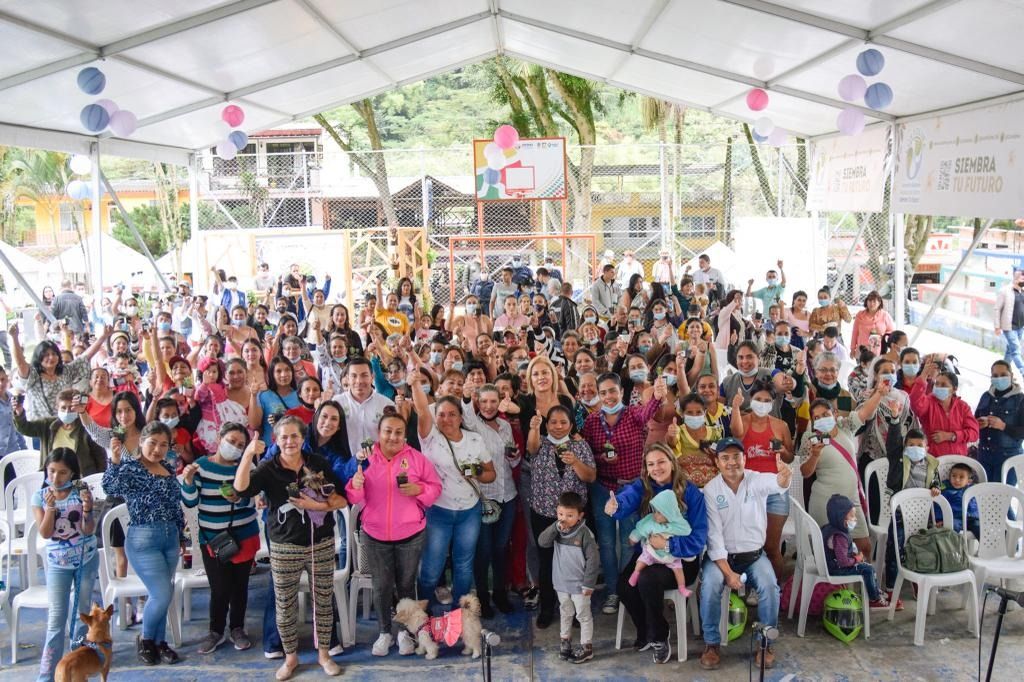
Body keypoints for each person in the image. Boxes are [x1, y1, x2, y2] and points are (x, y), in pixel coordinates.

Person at [233, 416, 347, 680]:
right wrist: (249, 453)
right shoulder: (267, 468)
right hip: (284, 545)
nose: (289, 442)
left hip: (321, 542)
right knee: (285, 604)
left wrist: (317, 506)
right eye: (283, 437)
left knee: (323, 602)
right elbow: (242, 489)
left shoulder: (317, 463)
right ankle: (291, 658)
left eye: (294, 436)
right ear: (275, 439)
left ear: (302, 438)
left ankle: (324, 655)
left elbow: (338, 499)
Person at [345, 408, 441, 656]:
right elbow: (353, 495)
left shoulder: (416, 458)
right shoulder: (365, 460)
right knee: (382, 586)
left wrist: (418, 489)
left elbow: (435, 487)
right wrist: (355, 485)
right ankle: (384, 633)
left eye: (399, 432)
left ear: (405, 436)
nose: (393, 437)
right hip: (374, 535)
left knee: (407, 586)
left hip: (411, 534)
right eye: (388, 431)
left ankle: (405, 633)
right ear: (379, 433)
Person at [698, 437, 791, 671]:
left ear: (744, 458)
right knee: (709, 586)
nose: (732, 463)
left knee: (770, 586)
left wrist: (784, 476)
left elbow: (777, 484)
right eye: (725, 458)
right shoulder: (711, 490)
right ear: (717, 462)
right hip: (721, 559)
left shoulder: (755, 480)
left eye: (736, 457)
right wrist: (728, 573)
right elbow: (714, 538)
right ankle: (711, 643)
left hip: (754, 555)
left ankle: (766, 643)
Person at [408, 371, 495, 610]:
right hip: (438, 511)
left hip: (469, 511)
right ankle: (422, 613)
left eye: (452, 414)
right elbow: (422, 409)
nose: (446, 419)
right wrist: (415, 383)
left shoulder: (474, 439)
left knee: (463, 565)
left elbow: (491, 474)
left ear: (460, 417)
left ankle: (460, 615)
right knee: (432, 566)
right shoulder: (429, 437)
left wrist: (476, 472)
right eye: (442, 415)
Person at [582, 372, 668, 616]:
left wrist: (658, 398)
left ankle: (628, 588)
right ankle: (613, 591)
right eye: (603, 392)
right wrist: (602, 457)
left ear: (621, 392)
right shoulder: (591, 422)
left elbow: (647, 411)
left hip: (631, 488)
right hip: (603, 488)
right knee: (607, 544)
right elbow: (587, 453)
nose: (608, 397)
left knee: (629, 541)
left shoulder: (633, 415)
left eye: (612, 391)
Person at [101, 421, 183, 666]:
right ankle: (146, 639)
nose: (157, 449)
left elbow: (174, 505)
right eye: (152, 443)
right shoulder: (131, 467)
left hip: (170, 538)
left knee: (163, 594)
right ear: (141, 442)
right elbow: (109, 486)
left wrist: (182, 537)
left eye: (163, 444)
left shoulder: (168, 468)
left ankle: (159, 642)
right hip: (143, 540)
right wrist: (114, 460)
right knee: (162, 593)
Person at [180, 422, 260, 655]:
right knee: (219, 587)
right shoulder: (201, 466)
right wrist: (187, 481)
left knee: (240, 586)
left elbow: (253, 498)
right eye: (231, 441)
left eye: (240, 445)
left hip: (244, 535)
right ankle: (215, 630)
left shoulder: (246, 466)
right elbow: (190, 501)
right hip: (212, 539)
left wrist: (240, 498)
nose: (234, 447)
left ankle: (237, 628)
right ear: (219, 437)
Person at [525, 404, 596, 626]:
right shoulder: (541, 444)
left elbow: (591, 477)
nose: (558, 426)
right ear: (547, 425)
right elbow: (531, 446)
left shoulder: (580, 445)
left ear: (571, 425)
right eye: (553, 422)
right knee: (546, 563)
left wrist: (575, 462)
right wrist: (534, 429)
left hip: (574, 519)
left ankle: (576, 610)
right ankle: (547, 608)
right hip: (544, 514)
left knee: (574, 564)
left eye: (563, 422)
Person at [32, 448, 99, 682]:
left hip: (85, 559)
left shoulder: (81, 490)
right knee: (56, 619)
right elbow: (46, 533)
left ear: (72, 473)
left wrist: (88, 508)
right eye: (51, 471)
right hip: (57, 563)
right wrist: (50, 508)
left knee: (81, 616)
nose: (56, 477)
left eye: (62, 472)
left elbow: (88, 529)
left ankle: (76, 670)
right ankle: (46, 675)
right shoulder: (40, 496)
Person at [801, 392, 886, 559]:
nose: (821, 419)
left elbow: (865, 412)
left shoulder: (845, 426)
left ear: (835, 413)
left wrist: (880, 394)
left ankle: (860, 583)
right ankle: (834, 585)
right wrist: (815, 455)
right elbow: (805, 472)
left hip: (852, 501)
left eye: (825, 414)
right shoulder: (810, 438)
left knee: (865, 547)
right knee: (830, 551)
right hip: (825, 503)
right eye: (816, 417)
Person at [463, 383, 519, 618]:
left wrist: (514, 456)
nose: (488, 406)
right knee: (483, 550)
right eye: (483, 401)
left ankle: (500, 593)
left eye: (492, 401)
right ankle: (483, 598)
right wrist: (466, 396)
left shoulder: (506, 426)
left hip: (508, 495)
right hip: (485, 497)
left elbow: (512, 462)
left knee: (501, 548)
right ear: (478, 401)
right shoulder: (474, 424)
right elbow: (465, 411)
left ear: (500, 402)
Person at [729, 381, 794, 581]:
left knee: (772, 546)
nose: (762, 403)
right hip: (747, 490)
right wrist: (735, 407)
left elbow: (790, 456)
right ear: (752, 399)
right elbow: (736, 433)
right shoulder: (745, 421)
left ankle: (775, 590)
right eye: (758, 399)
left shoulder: (780, 426)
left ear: (773, 403)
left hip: (776, 490)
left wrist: (782, 451)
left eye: (767, 400)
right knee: (748, 544)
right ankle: (750, 586)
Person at [537, 491, 600, 665]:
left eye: (570, 515)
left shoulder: (585, 534)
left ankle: (586, 647)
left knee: (583, 615)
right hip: (561, 584)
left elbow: (593, 561)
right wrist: (554, 527)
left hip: (580, 586)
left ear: (580, 516)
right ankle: (565, 642)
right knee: (565, 612)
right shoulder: (557, 530)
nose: (564, 519)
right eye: (561, 514)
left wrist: (588, 584)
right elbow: (542, 542)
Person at [883, 427, 941, 606]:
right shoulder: (899, 460)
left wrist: (936, 488)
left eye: (919, 445)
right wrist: (894, 420)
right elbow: (892, 444)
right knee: (895, 550)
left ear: (926, 447)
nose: (915, 448)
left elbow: (936, 482)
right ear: (905, 447)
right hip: (901, 515)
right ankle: (891, 588)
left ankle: (917, 581)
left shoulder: (932, 464)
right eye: (911, 445)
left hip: (923, 517)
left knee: (921, 551)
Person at [9, 323, 110, 421]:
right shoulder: (32, 375)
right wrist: (14, 338)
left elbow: (85, 357)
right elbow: (20, 363)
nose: (51, 357)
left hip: (66, 424)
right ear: (38, 358)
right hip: (42, 428)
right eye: (46, 355)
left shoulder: (65, 371)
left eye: (54, 354)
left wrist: (103, 337)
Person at [13, 389, 106, 474]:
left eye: (71, 408)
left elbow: (100, 457)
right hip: (52, 478)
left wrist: (98, 481)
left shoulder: (87, 428)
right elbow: (25, 428)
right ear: (57, 407)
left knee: (76, 491)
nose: (67, 412)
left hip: (79, 478)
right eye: (63, 408)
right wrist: (19, 412)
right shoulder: (47, 424)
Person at [820, 494, 888, 608]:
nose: (855, 519)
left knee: (866, 566)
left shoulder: (830, 528)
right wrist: (857, 559)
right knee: (868, 569)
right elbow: (843, 562)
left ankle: (874, 590)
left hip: (832, 565)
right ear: (840, 517)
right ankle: (874, 598)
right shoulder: (839, 537)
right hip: (836, 569)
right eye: (852, 516)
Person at [626, 489, 692, 596]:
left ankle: (682, 587)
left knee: (679, 569)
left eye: (659, 512)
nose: (655, 515)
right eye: (654, 511)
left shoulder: (679, 524)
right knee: (641, 560)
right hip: (652, 552)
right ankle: (636, 573)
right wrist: (634, 538)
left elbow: (687, 534)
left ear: (669, 513)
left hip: (670, 555)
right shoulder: (650, 521)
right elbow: (640, 530)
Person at [909, 362, 979, 457]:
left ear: (954, 389)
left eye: (944, 385)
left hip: (957, 461)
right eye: (937, 384)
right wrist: (923, 375)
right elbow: (915, 403)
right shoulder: (929, 402)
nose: (938, 387)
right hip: (933, 459)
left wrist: (951, 436)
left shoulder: (963, 407)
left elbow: (974, 433)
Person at [975, 360, 1024, 484]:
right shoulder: (986, 396)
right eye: (995, 376)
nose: (999, 378)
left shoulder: (1020, 400)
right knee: (983, 497)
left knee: (1002, 499)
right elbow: (973, 421)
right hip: (984, 455)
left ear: (1011, 376)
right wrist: (980, 423)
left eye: (1003, 374)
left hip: (1009, 457)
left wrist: (1003, 426)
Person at [936, 462, 980, 537]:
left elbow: (979, 505)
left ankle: (989, 547)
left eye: (961, 477)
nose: (957, 479)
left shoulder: (974, 489)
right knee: (951, 527)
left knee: (980, 527)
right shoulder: (943, 488)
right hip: (955, 518)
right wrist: (940, 519)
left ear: (969, 481)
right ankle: (953, 548)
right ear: (949, 477)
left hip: (972, 518)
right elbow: (939, 504)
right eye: (953, 476)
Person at [994, 268, 1024, 378]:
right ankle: (1022, 370)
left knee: (1010, 351)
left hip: (1020, 327)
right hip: (1009, 326)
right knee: (1016, 349)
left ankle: (1003, 372)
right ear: (1016, 278)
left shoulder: (1022, 290)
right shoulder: (1005, 291)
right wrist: (997, 326)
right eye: (1022, 277)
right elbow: (997, 309)